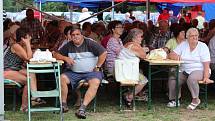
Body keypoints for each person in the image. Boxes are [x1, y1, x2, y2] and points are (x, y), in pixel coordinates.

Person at [53, 25, 107, 119]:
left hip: (91, 72)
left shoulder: (90, 43)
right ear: (70, 36)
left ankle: (82, 108)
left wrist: (98, 66)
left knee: (95, 82)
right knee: (61, 78)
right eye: (73, 35)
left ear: (82, 35)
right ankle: (64, 104)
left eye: (77, 34)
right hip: (74, 73)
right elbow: (56, 54)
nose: (75, 36)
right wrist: (65, 58)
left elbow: (104, 52)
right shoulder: (69, 45)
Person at [168, 28, 212, 110]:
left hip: (200, 69)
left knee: (192, 78)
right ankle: (174, 100)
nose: (195, 37)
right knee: (173, 77)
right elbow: (171, 54)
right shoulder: (183, 44)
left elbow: (206, 64)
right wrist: (176, 56)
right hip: (185, 69)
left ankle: (195, 99)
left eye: (196, 35)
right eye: (192, 36)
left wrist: (206, 77)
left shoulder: (203, 46)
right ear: (187, 37)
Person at [4, 27, 44, 112]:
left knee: (32, 73)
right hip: (6, 71)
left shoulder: (21, 46)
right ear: (23, 38)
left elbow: (28, 58)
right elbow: (28, 58)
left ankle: (34, 98)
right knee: (28, 81)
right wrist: (28, 44)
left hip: (15, 70)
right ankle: (24, 106)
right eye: (28, 37)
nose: (30, 38)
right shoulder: (16, 46)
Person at [118, 28, 148, 107]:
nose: (142, 38)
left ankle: (129, 94)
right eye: (141, 36)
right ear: (135, 37)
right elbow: (144, 56)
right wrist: (143, 49)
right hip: (125, 72)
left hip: (121, 70)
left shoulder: (128, 44)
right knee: (144, 80)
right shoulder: (134, 45)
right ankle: (129, 97)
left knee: (140, 71)